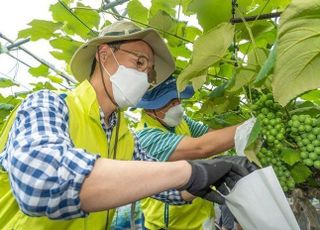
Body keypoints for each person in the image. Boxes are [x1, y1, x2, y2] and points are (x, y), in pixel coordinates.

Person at [0, 20, 250, 230]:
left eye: (149, 73)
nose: (144, 78)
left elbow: (167, 189)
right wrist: (192, 171)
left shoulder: (123, 135)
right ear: (105, 55)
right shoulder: (47, 105)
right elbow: (41, 185)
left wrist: (211, 176)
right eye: (140, 62)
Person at [134, 76, 257, 229]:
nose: (177, 106)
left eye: (178, 99)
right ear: (150, 107)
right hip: (172, 226)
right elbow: (202, 147)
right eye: (170, 102)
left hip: (200, 218)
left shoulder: (181, 121)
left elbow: (211, 135)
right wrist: (252, 127)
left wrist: (247, 134)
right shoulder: (147, 136)